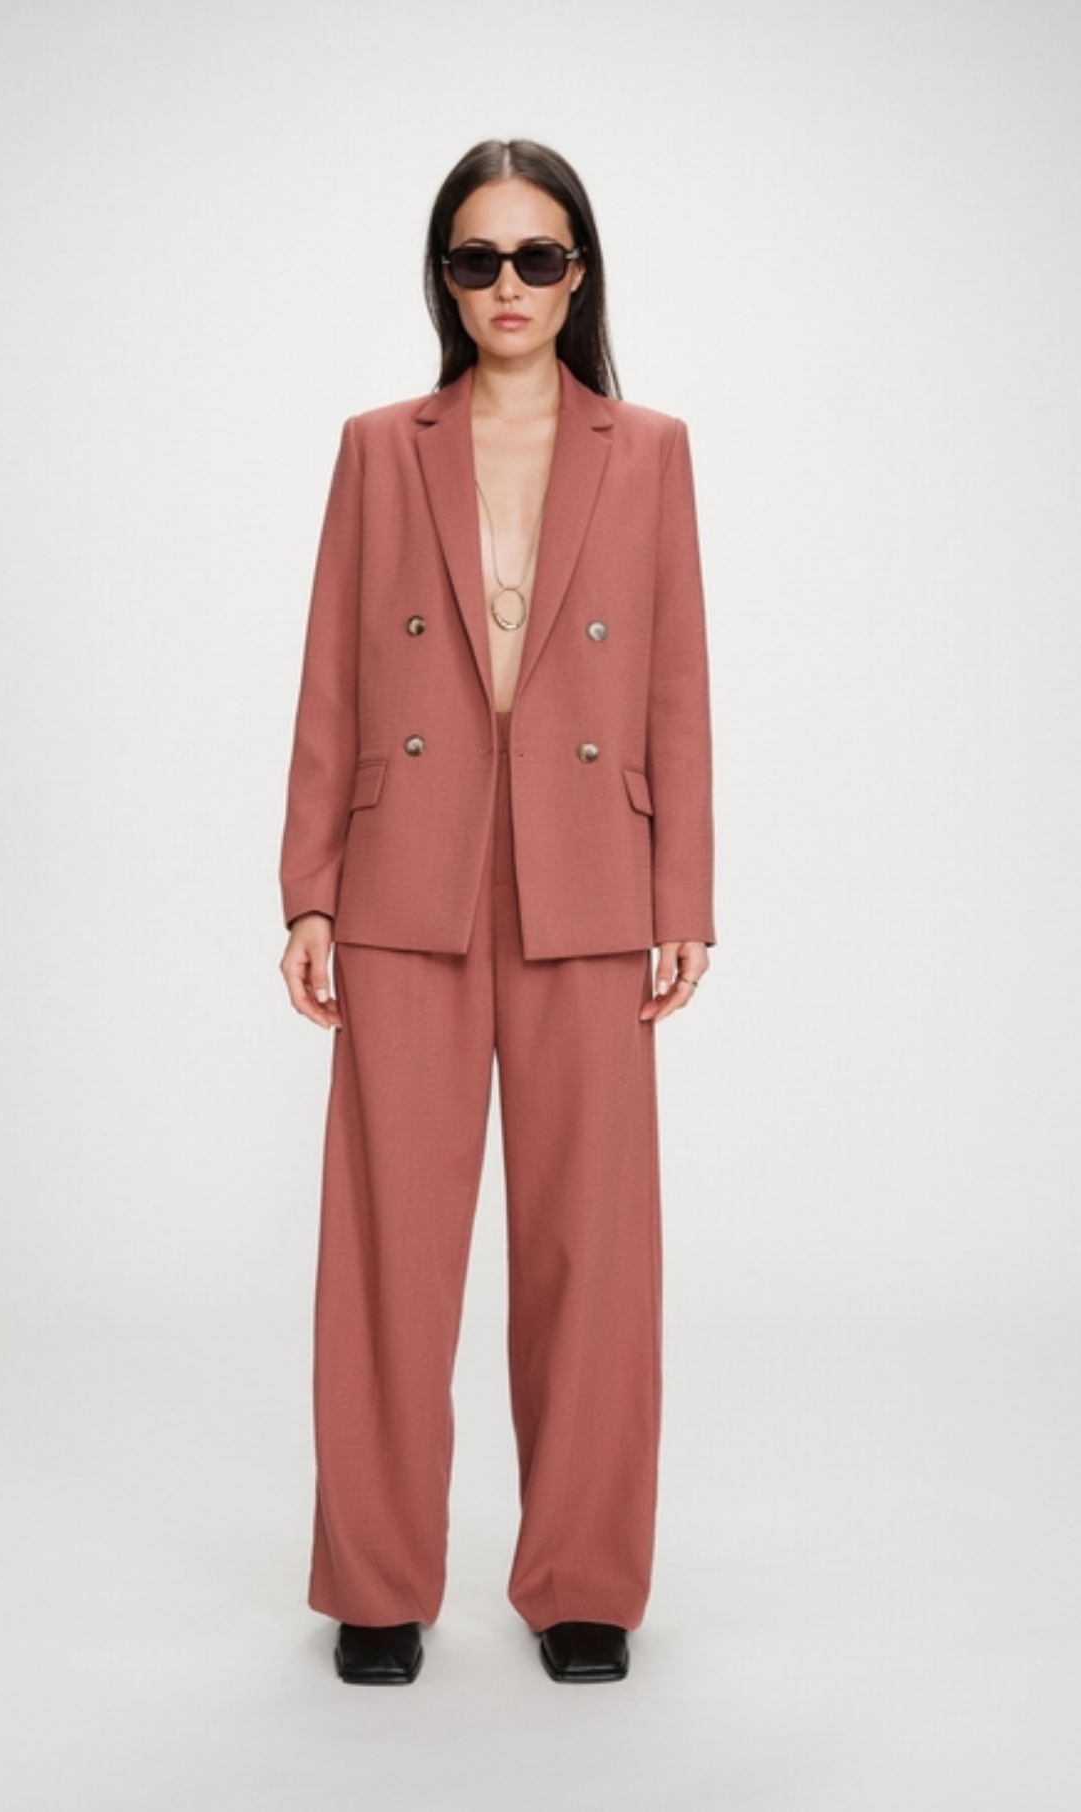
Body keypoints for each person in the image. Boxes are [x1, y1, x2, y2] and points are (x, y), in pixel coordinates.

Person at [279, 139, 714, 1686]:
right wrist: (307, 889)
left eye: (538, 257)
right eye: (478, 259)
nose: (509, 286)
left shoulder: (648, 449)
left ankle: (583, 1581)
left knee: (593, 1250)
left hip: (591, 872)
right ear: (444, 279)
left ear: (579, 273)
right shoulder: (377, 448)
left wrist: (685, 891)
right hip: (408, 870)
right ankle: (378, 1584)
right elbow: (333, 675)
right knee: (388, 1248)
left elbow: (678, 682)